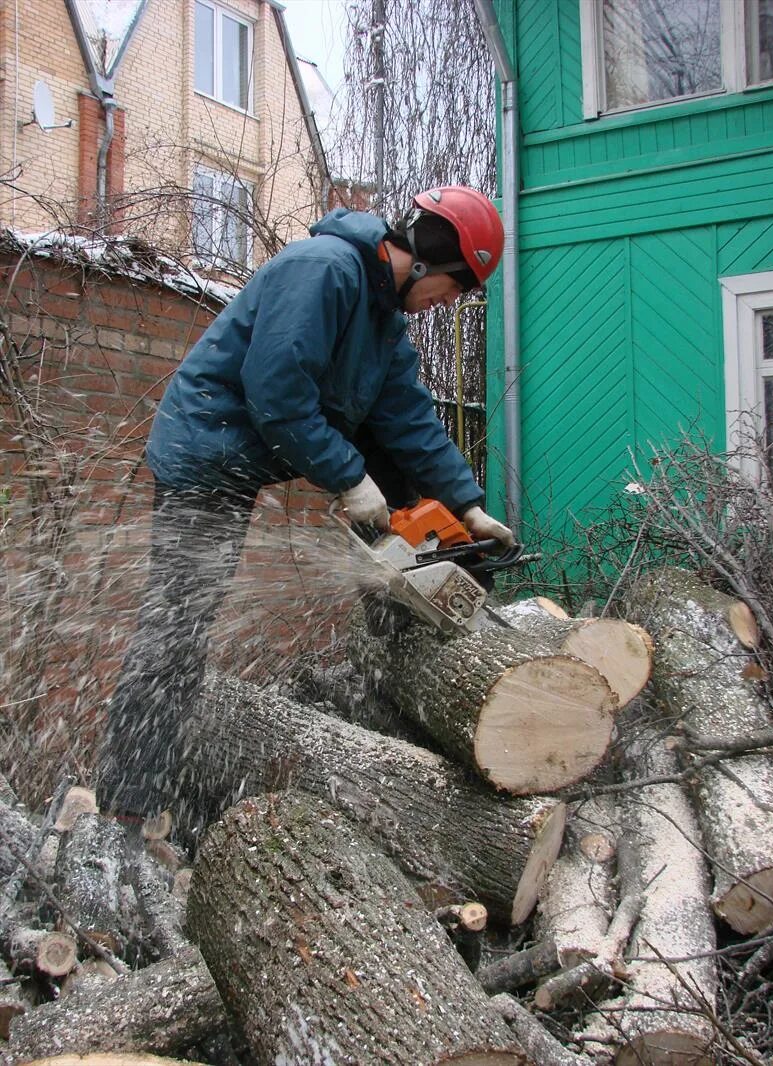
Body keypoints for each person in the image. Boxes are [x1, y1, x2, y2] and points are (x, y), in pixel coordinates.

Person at [96, 185, 514, 840]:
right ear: (433, 262)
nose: (446, 307)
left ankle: (417, 598)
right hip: (205, 455)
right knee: (177, 629)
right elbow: (277, 391)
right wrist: (350, 480)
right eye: (455, 291)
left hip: (248, 452)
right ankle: (122, 813)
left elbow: (407, 418)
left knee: (395, 452)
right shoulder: (322, 269)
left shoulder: (383, 319)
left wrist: (467, 505)